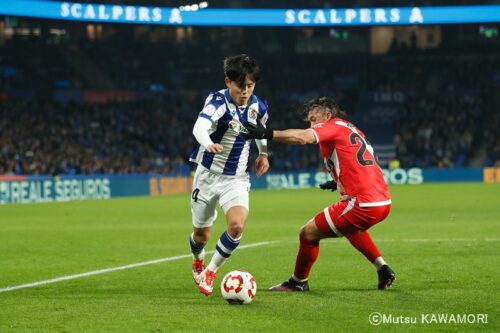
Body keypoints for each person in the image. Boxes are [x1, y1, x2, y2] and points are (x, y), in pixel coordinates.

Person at [243, 97, 395, 291]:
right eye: (309, 120)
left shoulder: (332, 126)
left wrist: (266, 133)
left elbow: (302, 137)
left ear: (328, 115)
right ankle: (383, 268)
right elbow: (365, 159)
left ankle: (298, 282)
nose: (311, 124)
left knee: (307, 233)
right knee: (350, 229)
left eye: (314, 119)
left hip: (362, 203)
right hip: (382, 201)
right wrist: (338, 180)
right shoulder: (349, 128)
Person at [188, 54, 270, 296]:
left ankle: (211, 272)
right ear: (228, 82)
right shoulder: (217, 102)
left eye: (250, 86)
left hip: (236, 178)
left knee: (236, 225)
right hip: (207, 175)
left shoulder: (260, 105)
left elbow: (261, 132)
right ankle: (197, 259)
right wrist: (208, 143)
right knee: (201, 235)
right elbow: (199, 127)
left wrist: (263, 154)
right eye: (240, 86)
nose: (245, 91)